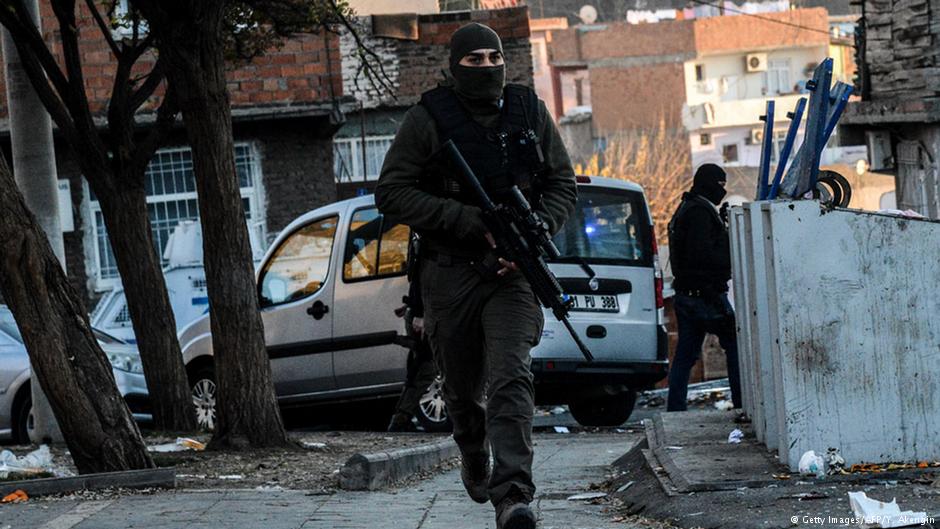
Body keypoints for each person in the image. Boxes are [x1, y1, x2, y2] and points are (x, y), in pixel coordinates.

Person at [375, 22, 576, 529]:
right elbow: (392, 193)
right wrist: (465, 220)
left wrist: (531, 235)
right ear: (454, 65)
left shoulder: (528, 110)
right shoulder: (428, 119)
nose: (487, 67)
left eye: (494, 58)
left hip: (513, 274)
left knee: (511, 375)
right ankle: (472, 447)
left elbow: (562, 183)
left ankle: (513, 496)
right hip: (449, 273)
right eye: (475, 60)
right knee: (462, 389)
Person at [666, 164, 742, 412]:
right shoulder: (699, 213)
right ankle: (742, 403)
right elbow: (703, 255)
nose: (723, 190)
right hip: (705, 297)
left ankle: (675, 408)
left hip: (689, 296)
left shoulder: (689, 208)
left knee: (685, 357)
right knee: (734, 345)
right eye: (720, 185)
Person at [387, 236, 438, 433]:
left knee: (422, 368)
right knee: (423, 369)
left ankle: (402, 417)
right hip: (423, 314)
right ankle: (401, 417)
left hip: (422, 311)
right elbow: (420, 276)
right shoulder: (423, 239)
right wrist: (418, 311)